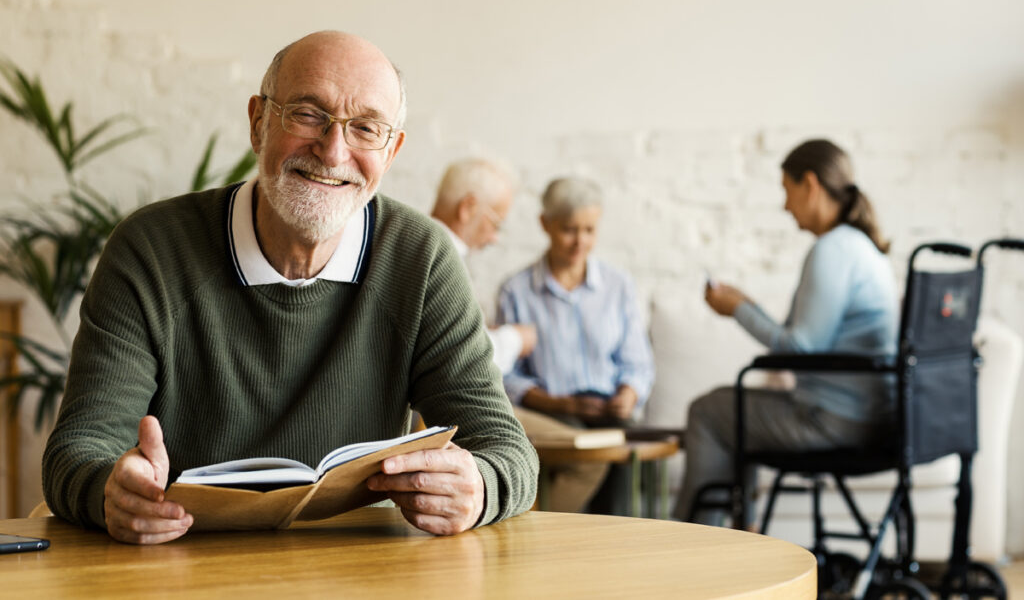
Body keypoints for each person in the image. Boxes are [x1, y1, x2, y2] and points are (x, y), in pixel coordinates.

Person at [42, 31, 538, 544]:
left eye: (366, 128)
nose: (332, 150)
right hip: (182, 562)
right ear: (258, 122)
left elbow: (507, 449)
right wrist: (111, 492)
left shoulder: (420, 257)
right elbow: (77, 451)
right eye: (306, 114)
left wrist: (479, 486)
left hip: (361, 567)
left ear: (391, 152)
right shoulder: (151, 249)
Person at [674, 138, 898, 524]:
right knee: (731, 411)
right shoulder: (861, 248)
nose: (784, 205)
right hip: (870, 417)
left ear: (809, 184)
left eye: (786, 190)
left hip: (833, 421)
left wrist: (738, 310)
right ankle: (737, 540)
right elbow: (808, 339)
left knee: (709, 411)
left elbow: (802, 347)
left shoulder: (833, 250)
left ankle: (691, 547)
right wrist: (748, 306)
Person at [497, 176, 655, 512]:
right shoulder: (517, 291)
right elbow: (504, 378)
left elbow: (637, 364)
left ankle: (620, 547)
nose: (580, 241)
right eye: (569, 229)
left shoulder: (618, 286)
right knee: (588, 452)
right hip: (553, 413)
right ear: (545, 224)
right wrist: (563, 405)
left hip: (609, 410)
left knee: (629, 451)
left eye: (589, 230)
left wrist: (629, 394)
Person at [430, 158, 537, 373]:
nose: (495, 238)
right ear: (467, 208)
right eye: (496, 224)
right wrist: (516, 339)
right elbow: (465, 358)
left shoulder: (418, 246)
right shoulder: (440, 261)